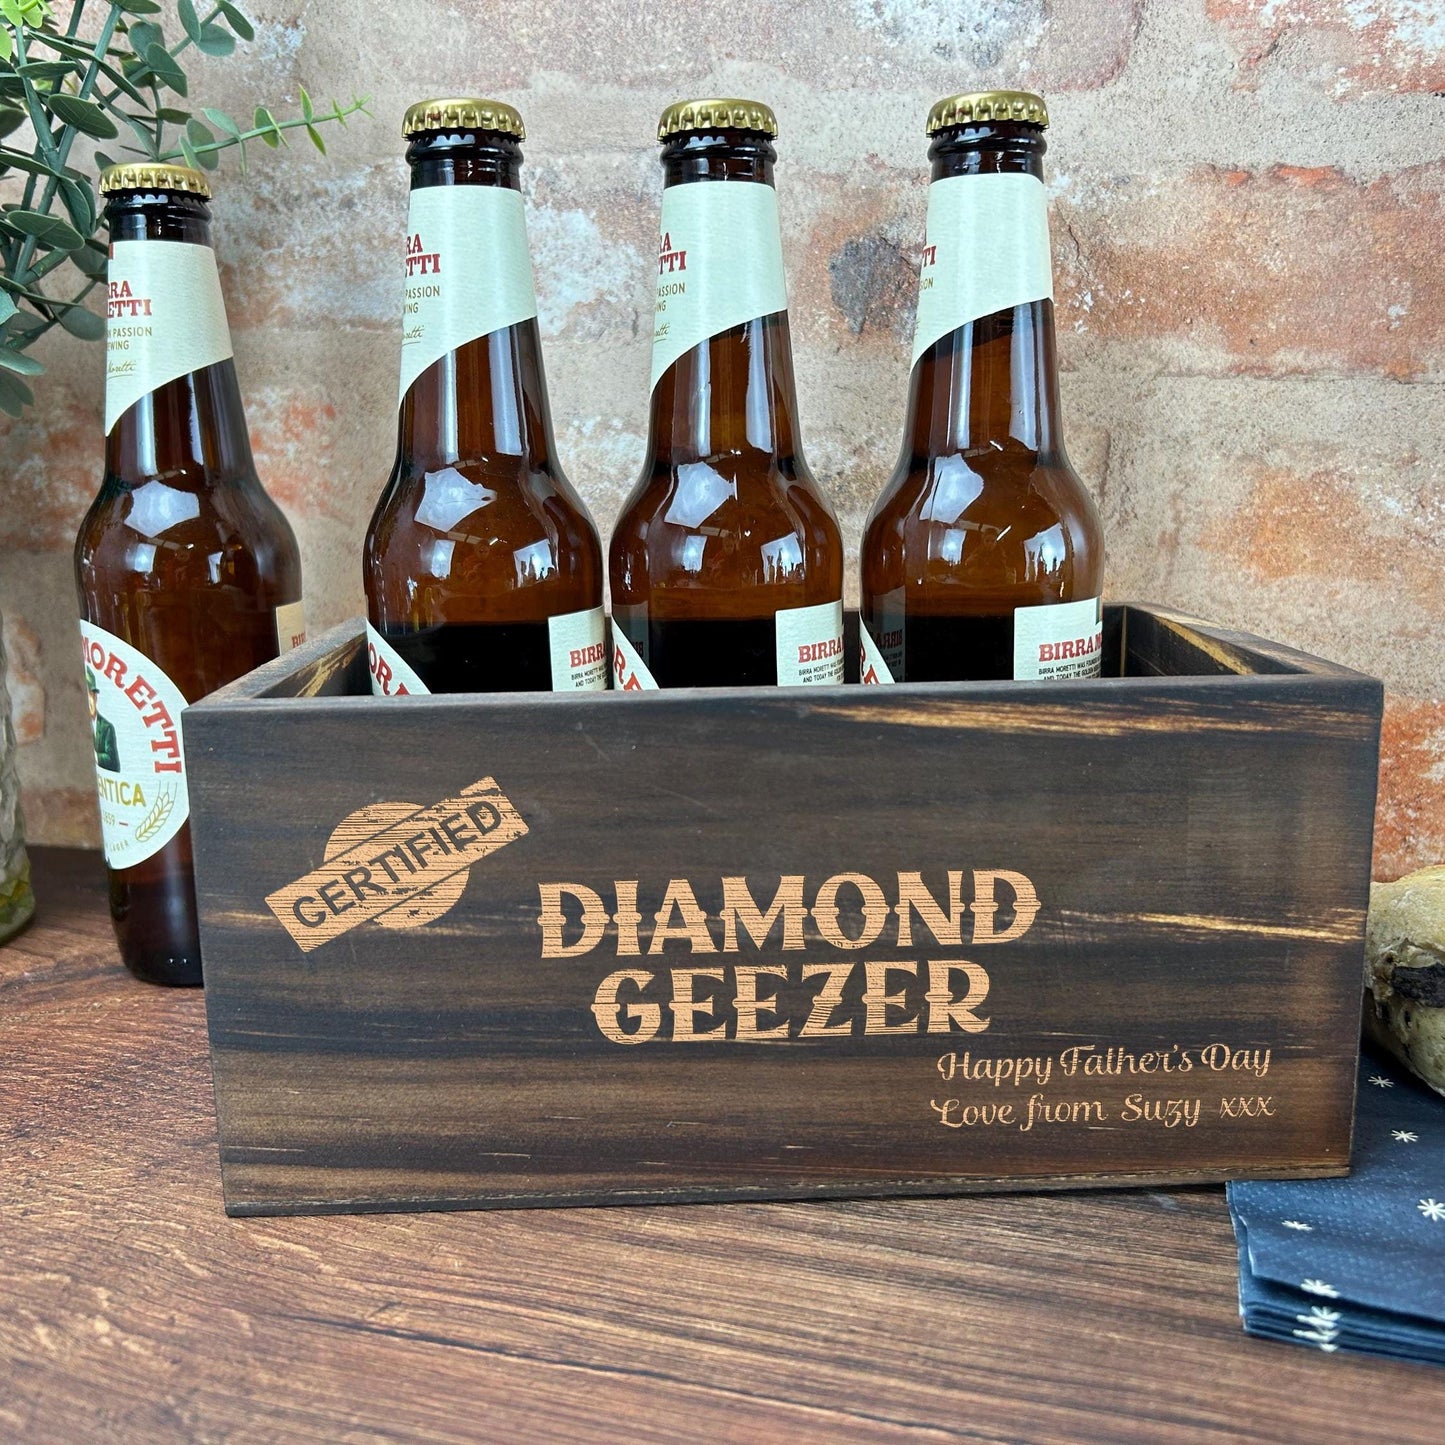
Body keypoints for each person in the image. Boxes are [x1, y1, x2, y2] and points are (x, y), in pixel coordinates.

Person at [85, 669, 120, 772]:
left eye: (90, 695)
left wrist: (93, 756)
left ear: (95, 698)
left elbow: (113, 762)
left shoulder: (106, 727)